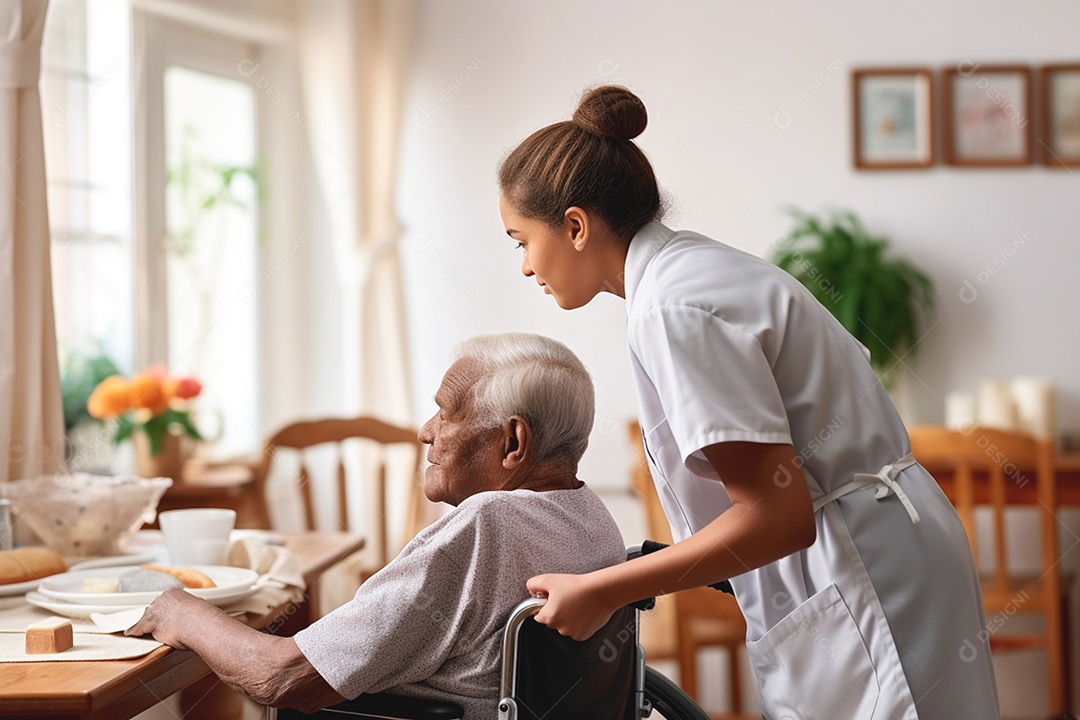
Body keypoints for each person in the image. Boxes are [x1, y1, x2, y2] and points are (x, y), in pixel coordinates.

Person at [498, 85, 999, 720]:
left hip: (860, 566)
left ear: (574, 225)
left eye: (520, 240)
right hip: (885, 543)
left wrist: (604, 590)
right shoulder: (689, 271)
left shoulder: (674, 307)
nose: (522, 267)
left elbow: (777, 514)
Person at [127, 333, 626, 718]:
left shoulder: (487, 524)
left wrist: (181, 611)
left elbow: (282, 678)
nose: (425, 431)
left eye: (446, 412)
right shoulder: (594, 520)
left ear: (513, 442)